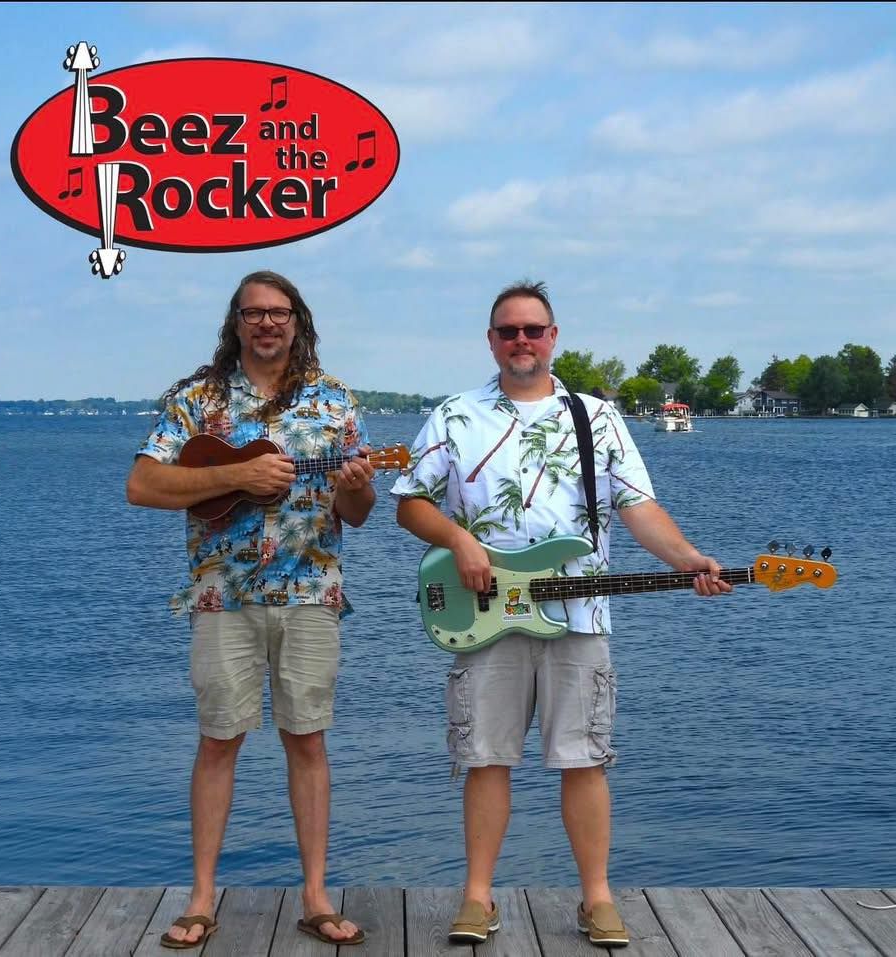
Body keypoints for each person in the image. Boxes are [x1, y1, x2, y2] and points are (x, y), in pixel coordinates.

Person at [391, 280, 731, 949]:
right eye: (508, 330)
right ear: (491, 340)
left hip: (580, 618)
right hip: (485, 616)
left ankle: (597, 898)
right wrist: (459, 540)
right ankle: (478, 897)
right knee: (486, 758)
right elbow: (409, 501)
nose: (521, 340)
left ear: (554, 336)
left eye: (533, 329)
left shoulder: (597, 417)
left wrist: (688, 556)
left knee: (585, 760)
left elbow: (638, 507)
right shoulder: (456, 415)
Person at [127, 270, 375, 949]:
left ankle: (317, 896)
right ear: (235, 323)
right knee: (217, 740)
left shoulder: (334, 403)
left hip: (310, 594)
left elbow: (355, 512)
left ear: (298, 322)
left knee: (309, 740)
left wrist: (356, 485)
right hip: (221, 596)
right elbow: (143, 483)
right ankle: (202, 897)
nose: (268, 323)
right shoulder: (196, 399)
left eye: (280, 312)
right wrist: (237, 474)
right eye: (254, 313)